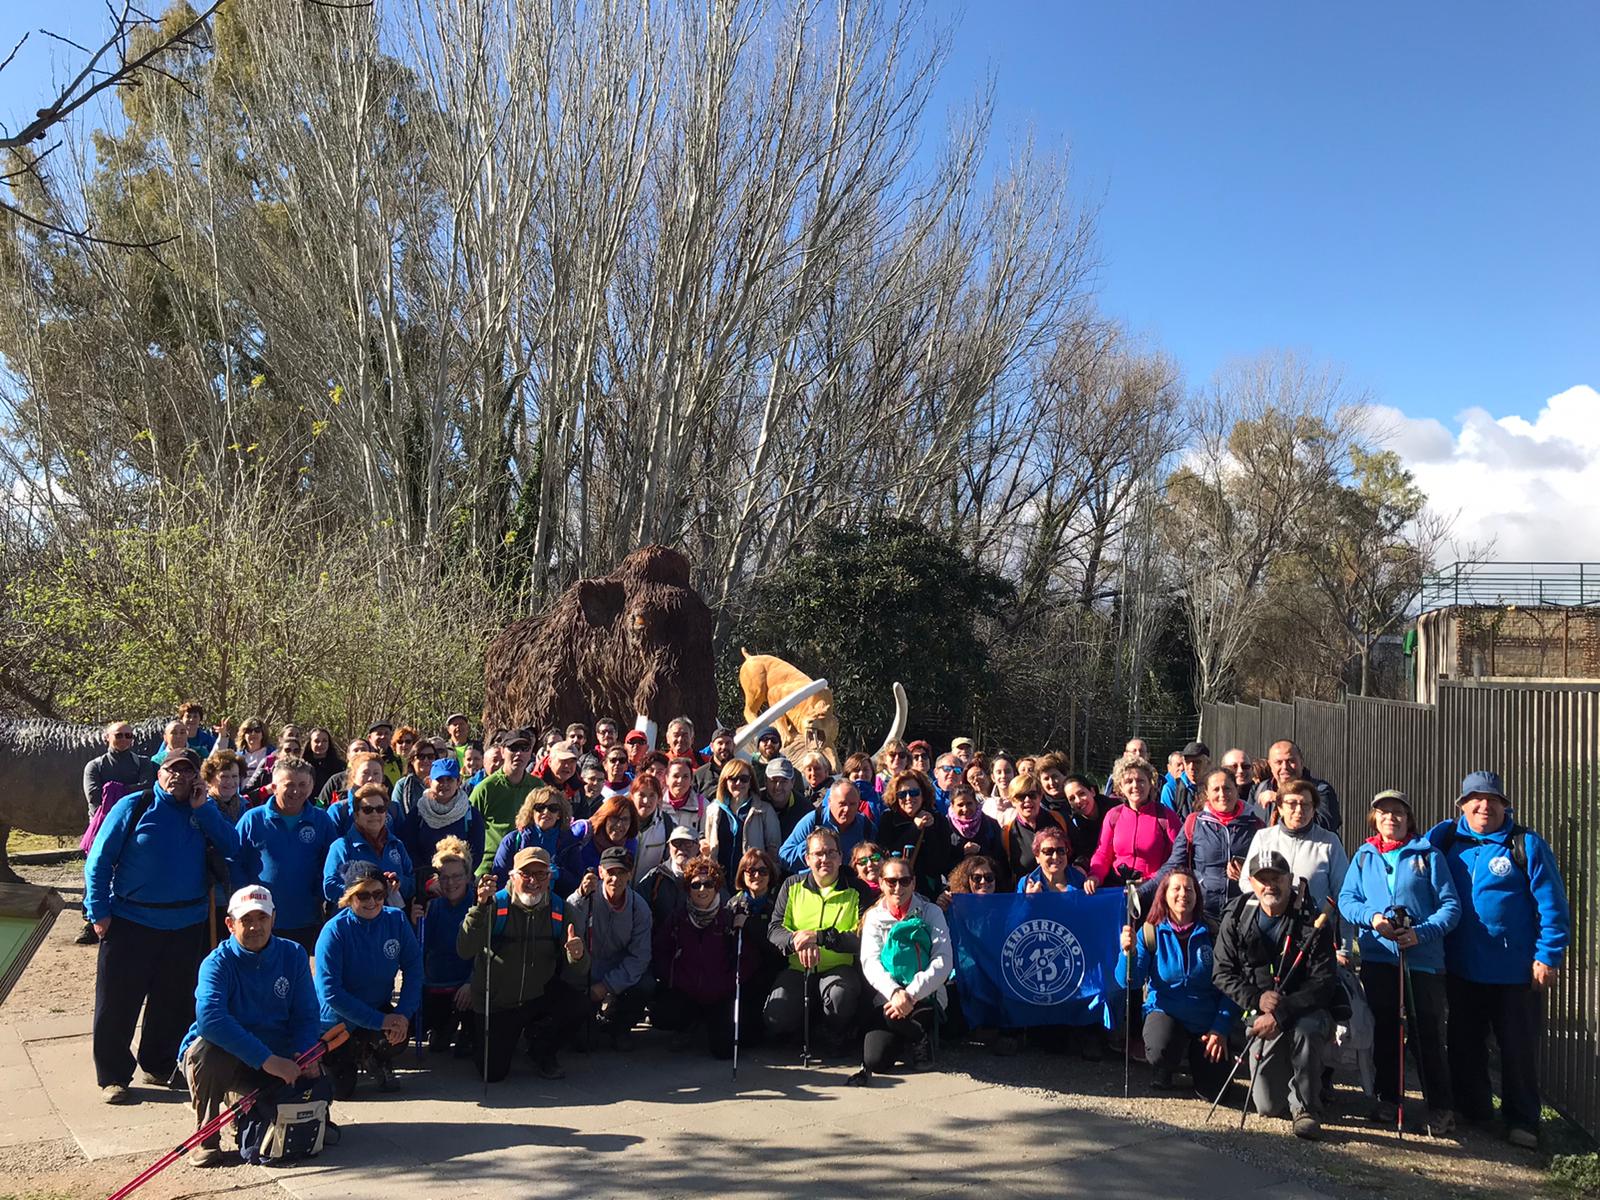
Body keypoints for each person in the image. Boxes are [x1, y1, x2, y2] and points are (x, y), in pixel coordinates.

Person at [85, 749, 242, 1104]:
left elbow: (232, 846)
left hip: (187, 922)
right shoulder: (133, 807)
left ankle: (158, 1064)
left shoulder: (204, 810)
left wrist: (204, 809)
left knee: (172, 1002)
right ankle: (113, 1075)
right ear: (159, 774)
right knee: (118, 1003)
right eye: (172, 771)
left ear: (197, 779)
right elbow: (99, 860)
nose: (179, 778)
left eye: (187, 773)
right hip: (131, 920)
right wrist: (98, 910)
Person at [1427, 771, 1570, 1148]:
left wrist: (1548, 956)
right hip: (1460, 967)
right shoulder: (1444, 839)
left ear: (1505, 804)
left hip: (1514, 972)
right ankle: (1473, 1109)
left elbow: (1552, 905)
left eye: (1492, 799)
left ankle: (1522, 1119)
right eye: (1475, 799)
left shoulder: (1526, 845)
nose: (1484, 806)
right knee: (1463, 1042)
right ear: (1462, 805)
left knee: (1517, 1048)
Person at [1338, 790, 1460, 1131]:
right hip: (1380, 957)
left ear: (1409, 819)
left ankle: (1440, 1107)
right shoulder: (1363, 856)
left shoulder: (1429, 855)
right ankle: (1388, 1099)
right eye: (1383, 812)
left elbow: (1451, 907)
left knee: (1427, 1034)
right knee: (1386, 1031)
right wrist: (1372, 918)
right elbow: (1347, 900)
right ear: (1374, 818)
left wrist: (1422, 933)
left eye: (1398, 813)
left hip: (1422, 960)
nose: (1391, 818)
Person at [177, 884, 321, 1166]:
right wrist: (266, 1060)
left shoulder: (293, 954)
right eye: (247, 920)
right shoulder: (216, 963)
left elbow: (307, 1013)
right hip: (231, 1054)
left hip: (277, 1052)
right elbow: (210, 1019)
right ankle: (206, 1134)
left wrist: (305, 1053)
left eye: (262, 918)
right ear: (230, 924)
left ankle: (246, 1107)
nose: (256, 927)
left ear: (273, 919)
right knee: (209, 1053)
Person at [1213, 851, 1343, 1140]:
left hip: (1304, 1012)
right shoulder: (1236, 915)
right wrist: (1257, 999)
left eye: (1277, 878)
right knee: (1269, 1106)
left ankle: (1307, 1107)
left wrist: (1281, 1012)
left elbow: (1324, 982)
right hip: (1259, 1013)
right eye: (1263, 879)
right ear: (1251, 882)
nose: (1270, 885)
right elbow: (1221, 972)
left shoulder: (1313, 920)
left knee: (1307, 1028)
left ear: (1289, 880)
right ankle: (1297, 1074)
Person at [457, 846, 588, 1081]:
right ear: (512, 876)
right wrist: (479, 909)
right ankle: (480, 1034)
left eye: (540, 875)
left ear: (550, 877)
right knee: (492, 1074)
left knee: (578, 1003)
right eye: (526, 874)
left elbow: (581, 969)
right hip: (498, 1002)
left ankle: (541, 1048)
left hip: (536, 997)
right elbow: (465, 949)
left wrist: (577, 955)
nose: (533, 881)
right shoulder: (493, 904)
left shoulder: (560, 910)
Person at [1116, 868, 1234, 1098]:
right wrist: (1126, 953)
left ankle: (1196, 1059)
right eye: (1176, 888)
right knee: (1160, 1049)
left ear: (1198, 896)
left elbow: (1231, 986)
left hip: (1206, 1023)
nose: (1183, 894)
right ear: (1164, 895)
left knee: (1214, 1092)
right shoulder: (1150, 932)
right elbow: (1128, 982)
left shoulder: (1214, 932)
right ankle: (1166, 1066)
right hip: (1166, 1013)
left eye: (1189, 889)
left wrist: (1220, 1028)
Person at [314, 861, 422, 1097]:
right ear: (350, 897)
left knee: (399, 1037)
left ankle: (374, 1057)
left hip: (376, 1006)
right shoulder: (334, 931)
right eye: (363, 895)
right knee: (341, 1091)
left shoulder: (397, 920)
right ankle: (345, 1057)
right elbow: (331, 992)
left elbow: (414, 968)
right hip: (337, 1019)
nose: (372, 902)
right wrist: (381, 1021)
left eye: (378, 894)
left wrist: (402, 1014)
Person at [851, 854, 953, 1084]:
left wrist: (911, 993)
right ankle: (915, 1036)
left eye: (905, 881)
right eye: (891, 881)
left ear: (914, 883)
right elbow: (870, 961)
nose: (898, 887)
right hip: (888, 998)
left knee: (900, 1018)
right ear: (881, 883)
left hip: (926, 996)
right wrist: (895, 992)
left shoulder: (931, 913)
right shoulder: (874, 917)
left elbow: (943, 960)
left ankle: (915, 1036)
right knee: (875, 1061)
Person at [650, 855, 760, 1059]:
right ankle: (688, 1026)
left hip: (720, 993)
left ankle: (706, 1026)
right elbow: (660, 951)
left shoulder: (728, 918)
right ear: (687, 888)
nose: (702, 890)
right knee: (662, 1014)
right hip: (686, 991)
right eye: (696, 885)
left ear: (716, 887)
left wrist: (729, 983)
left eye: (708, 884)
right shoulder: (678, 918)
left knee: (724, 1050)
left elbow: (747, 958)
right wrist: (673, 978)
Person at [765, 828, 863, 1054]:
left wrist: (820, 938)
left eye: (831, 853)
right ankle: (801, 1029)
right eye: (818, 853)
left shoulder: (856, 889)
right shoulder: (791, 885)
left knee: (840, 998)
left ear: (840, 856)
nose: (824, 859)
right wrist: (796, 939)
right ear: (807, 858)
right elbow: (774, 928)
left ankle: (834, 1031)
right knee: (776, 1017)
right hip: (798, 968)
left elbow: (862, 936)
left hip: (838, 968)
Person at [234, 756, 336, 955]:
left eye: (302, 784)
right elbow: (236, 860)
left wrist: (321, 895)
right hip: (261, 918)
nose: (296, 791)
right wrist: (245, 895)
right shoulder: (252, 819)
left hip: (306, 916)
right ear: (274, 786)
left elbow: (331, 863)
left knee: (299, 974)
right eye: (289, 785)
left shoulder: (321, 820)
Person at [567, 846, 654, 1048]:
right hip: (585, 973)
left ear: (630, 874)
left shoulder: (639, 908)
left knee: (646, 984)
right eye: (611, 872)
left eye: (622, 872)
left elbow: (640, 957)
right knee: (582, 1042)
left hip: (618, 973)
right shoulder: (584, 897)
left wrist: (607, 986)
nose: (616, 879)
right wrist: (580, 895)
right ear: (600, 872)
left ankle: (618, 1027)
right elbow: (570, 921)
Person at [1241, 779, 1350, 931]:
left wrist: (1343, 947)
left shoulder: (1330, 842)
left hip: (1315, 932)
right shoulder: (1263, 837)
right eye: (1292, 803)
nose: (1299, 810)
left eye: (1305, 805)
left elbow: (1344, 894)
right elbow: (1246, 881)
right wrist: (1270, 902)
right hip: (1269, 929)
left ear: (1313, 809)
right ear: (1280, 807)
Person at [1159, 768, 1264, 918]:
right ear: (1207, 793)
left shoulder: (1256, 824)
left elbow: (1267, 870)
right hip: (1204, 913)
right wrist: (1144, 890)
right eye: (1216, 789)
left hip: (1244, 913)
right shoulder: (1194, 822)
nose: (1222, 794)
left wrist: (1247, 872)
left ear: (1236, 789)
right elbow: (1173, 865)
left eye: (1227, 788)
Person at [412, 837, 479, 1058]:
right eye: (444, 877)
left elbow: (487, 951)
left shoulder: (478, 905)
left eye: (457, 876)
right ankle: (444, 1026)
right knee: (423, 1035)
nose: (450, 883)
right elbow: (419, 950)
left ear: (468, 877)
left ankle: (468, 1029)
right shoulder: (432, 906)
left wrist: (472, 982)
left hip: (467, 986)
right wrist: (415, 924)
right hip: (436, 984)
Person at [1086, 753, 1182, 896]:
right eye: (1129, 781)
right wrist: (1095, 876)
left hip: (1154, 889)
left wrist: (1152, 880)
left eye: (1140, 780)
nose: (1135, 786)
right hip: (1117, 889)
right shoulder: (1113, 815)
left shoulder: (1166, 816)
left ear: (1151, 784)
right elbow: (1103, 853)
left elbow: (1178, 856)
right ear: (1121, 787)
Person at [401, 756, 485, 895]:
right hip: (427, 886)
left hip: (460, 886)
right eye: (439, 779)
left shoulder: (470, 814)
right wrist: (428, 877)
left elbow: (476, 851)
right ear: (429, 782)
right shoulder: (418, 813)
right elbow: (409, 849)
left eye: (450, 779)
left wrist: (458, 878)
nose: (445, 784)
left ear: (458, 782)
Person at [322, 783, 415, 906]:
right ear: (356, 815)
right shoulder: (342, 846)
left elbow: (412, 884)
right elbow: (330, 888)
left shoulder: (396, 845)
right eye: (367, 810)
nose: (375, 814)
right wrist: (366, 891)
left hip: (392, 920)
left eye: (380, 809)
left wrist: (399, 881)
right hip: (355, 921)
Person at [874, 769, 951, 899]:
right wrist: (915, 829)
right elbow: (886, 855)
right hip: (898, 889)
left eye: (914, 793)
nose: (909, 798)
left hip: (929, 891)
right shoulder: (888, 819)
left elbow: (941, 861)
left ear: (923, 794)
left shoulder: (938, 819)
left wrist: (930, 830)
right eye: (902, 794)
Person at [492, 787, 584, 895]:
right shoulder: (513, 841)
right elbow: (500, 879)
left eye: (553, 808)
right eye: (540, 807)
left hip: (554, 904)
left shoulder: (569, 843)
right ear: (531, 812)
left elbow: (577, 883)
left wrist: (559, 874)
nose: (546, 812)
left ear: (559, 814)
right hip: (516, 901)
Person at [469, 731, 536, 876]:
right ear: (502, 751)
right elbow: (468, 828)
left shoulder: (538, 788)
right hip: (490, 867)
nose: (519, 753)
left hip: (528, 866)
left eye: (524, 749)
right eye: (513, 748)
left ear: (530, 753)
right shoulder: (485, 788)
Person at [1247, 740, 1342, 835]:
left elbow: (1326, 827)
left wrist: (1281, 799)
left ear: (1301, 762)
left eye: (1291, 761)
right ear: (1270, 765)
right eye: (1278, 762)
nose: (1285, 767)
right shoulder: (1258, 790)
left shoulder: (1320, 790)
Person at [778, 780, 874, 872]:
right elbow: (784, 857)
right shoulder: (815, 820)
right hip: (814, 883)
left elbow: (880, 859)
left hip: (851, 884)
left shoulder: (866, 826)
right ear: (829, 802)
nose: (847, 809)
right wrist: (814, 846)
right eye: (842, 804)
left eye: (852, 804)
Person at [998, 773, 1066, 888]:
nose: (1027, 800)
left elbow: (1079, 851)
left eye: (1032, 795)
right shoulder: (1007, 832)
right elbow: (1005, 872)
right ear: (1013, 801)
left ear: (1040, 796)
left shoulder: (1058, 819)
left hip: (1062, 894)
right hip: (1026, 896)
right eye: (1021, 796)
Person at [637, 825, 699, 933]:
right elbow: (637, 913)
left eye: (688, 843)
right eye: (676, 843)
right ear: (669, 847)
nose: (681, 848)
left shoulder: (708, 877)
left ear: (698, 846)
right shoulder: (655, 877)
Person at [325, 751, 396, 836]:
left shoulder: (394, 809)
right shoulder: (339, 810)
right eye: (365, 773)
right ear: (353, 776)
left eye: (376, 773)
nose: (371, 778)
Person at [1060, 774, 1117, 873]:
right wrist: (1080, 865)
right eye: (1072, 798)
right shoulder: (1073, 825)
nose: (1078, 801)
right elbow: (1084, 853)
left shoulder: (1116, 809)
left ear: (1092, 791)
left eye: (1081, 793)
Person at [631, 773, 678, 878]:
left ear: (659, 798)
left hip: (648, 890)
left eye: (652, 795)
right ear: (632, 795)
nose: (646, 801)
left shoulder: (667, 824)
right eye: (641, 795)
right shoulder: (621, 819)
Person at [578, 795, 639, 873]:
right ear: (605, 817)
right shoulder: (583, 831)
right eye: (615, 818)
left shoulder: (630, 844)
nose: (619, 824)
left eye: (625, 819)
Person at [1016, 826, 1085, 892]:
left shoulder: (1081, 880)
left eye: (1061, 850)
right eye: (1048, 851)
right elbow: (1017, 904)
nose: (1055, 856)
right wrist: (1029, 900)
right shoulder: (1026, 884)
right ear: (1037, 857)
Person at [390, 737, 438, 820]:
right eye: (421, 756)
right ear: (412, 760)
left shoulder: (443, 783)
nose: (426, 760)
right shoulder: (402, 785)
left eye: (430, 756)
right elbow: (397, 815)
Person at [761, 756, 808, 838]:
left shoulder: (805, 810)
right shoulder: (754, 803)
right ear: (765, 781)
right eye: (773, 781)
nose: (778, 787)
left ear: (792, 782)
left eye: (784, 781)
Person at [663, 756, 707, 841]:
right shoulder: (657, 803)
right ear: (667, 779)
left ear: (691, 780)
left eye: (685, 776)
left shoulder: (702, 805)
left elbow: (705, 838)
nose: (680, 781)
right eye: (676, 776)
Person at [1160, 741, 1208, 817]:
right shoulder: (1171, 789)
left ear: (1207, 763)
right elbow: (1170, 824)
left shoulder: (1215, 788)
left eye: (1197, 762)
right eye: (1187, 762)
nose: (1191, 767)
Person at [693, 726, 737, 795]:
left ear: (734, 746)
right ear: (712, 747)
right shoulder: (699, 776)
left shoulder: (743, 771)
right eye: (720, 743)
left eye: (728, 743)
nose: (724, 747)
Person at [302, 728, 344, 797]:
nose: (320, 744)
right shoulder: (303, 766)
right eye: (317, 741)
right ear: (310, 743)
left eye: (324, 741)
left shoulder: (340, 766)